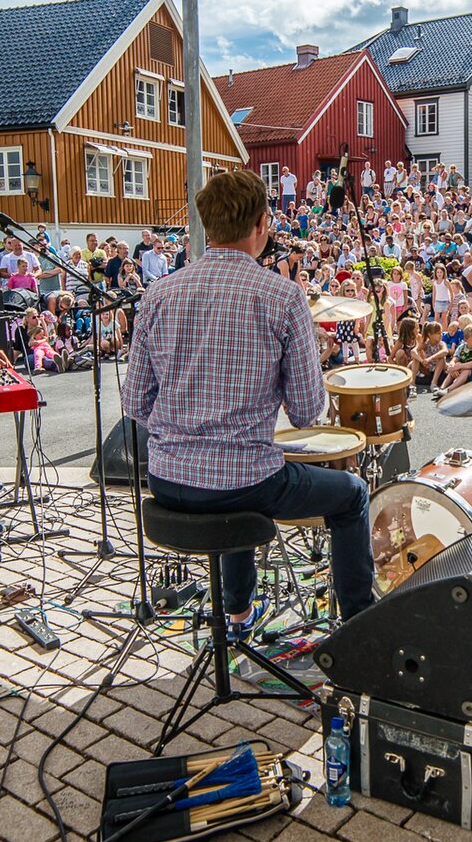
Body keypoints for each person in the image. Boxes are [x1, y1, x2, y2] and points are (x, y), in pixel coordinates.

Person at [123, 168, 375, 633]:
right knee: (352, 495)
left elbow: (135, 404)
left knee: (236, 476)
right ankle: (360, 625)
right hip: (243, 482)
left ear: (206, 224)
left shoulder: (158, 293)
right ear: (261, 224)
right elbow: (306, 413)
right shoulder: (282, 297)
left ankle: (238, 614)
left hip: (167, 480)